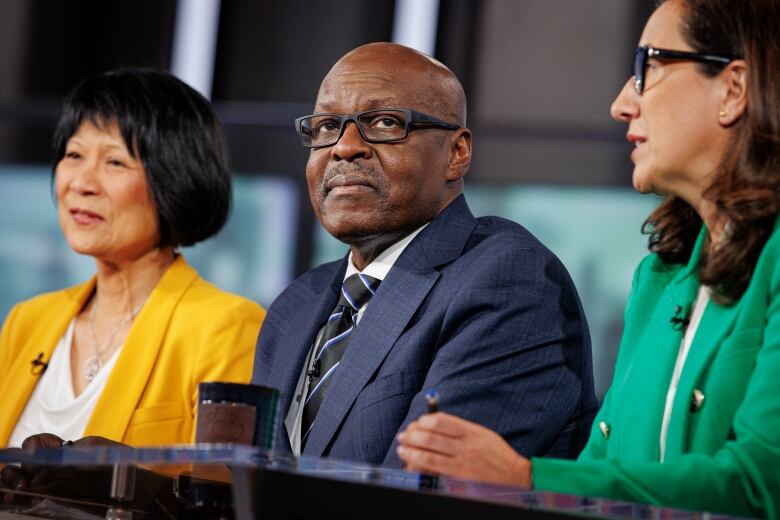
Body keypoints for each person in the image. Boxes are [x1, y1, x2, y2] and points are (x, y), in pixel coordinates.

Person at [397, 0, 780, 517]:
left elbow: (761, 484)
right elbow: (606, 459)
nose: (622, 103)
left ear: (733, 89)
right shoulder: (659, 276)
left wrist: (524, 477)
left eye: (648, 68)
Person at [252, 42, 598, 466]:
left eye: (383, 122)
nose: (344, 147)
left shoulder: (507, 279)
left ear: (457, 153)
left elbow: (426, 491)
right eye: (327, 126)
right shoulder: (295, 307)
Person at [0, 69, 265, 449]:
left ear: (174, 180)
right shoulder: (27, 321)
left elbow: (224, 494)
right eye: (74, 155)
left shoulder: (227, 328)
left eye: (115, 162)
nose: (82, 183)